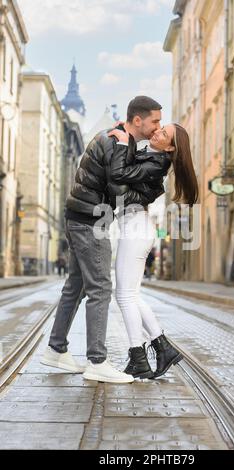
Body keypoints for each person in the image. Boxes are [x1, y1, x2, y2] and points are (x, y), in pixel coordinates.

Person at [41, 96, 166, 384]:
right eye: (155, 121)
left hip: (79, 215)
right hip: (90, 221)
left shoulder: (122, 141)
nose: (157, 126)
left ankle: (55, 349)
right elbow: (120, 190)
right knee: (100, 288)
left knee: (76, 285)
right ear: (138, 120)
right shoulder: (115, 141)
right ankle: (97, 360)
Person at [107, 121, 198, 379]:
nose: (157, 131)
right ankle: (162, 347)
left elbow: (121, 174)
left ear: (170, 146)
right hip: (134, 225)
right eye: (160, 127)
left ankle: (138, 357)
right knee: (131, 295)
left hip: (136, 227)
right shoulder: (153, 156)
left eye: (164, 133)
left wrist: (124, 143)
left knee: (124, 296)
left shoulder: (158, 163)